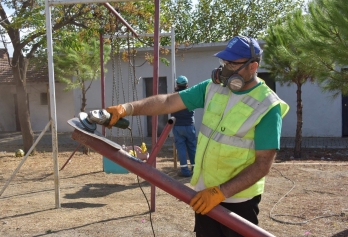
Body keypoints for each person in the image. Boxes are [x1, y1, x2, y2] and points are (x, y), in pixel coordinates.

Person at [105, 35, 289, 237]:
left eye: (232, 64)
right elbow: (167, 102)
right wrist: (128, 108)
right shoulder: (213, 87)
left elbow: (262, 165)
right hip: (205, 195)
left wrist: (221, 192)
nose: (225, 68)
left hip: (238, 201)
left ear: (253, 67)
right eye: (223, 62)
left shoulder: (267, 106)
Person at [171, 75, 197, 177]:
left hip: (177, 126)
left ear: (177, 84)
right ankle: (195, 169)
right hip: (189, 125)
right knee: (192, 147)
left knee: (181, 148)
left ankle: (185, 171)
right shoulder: (191, 94)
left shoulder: (173, 96)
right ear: (187, 84)